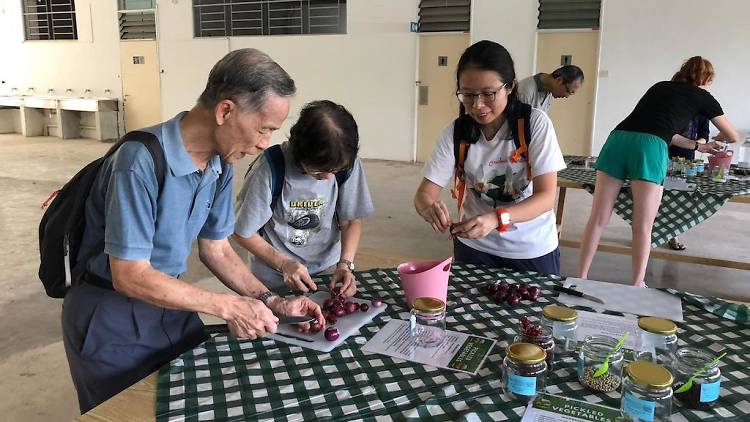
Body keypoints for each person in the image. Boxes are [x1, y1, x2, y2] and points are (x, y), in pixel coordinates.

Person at [62, 48, 325, 414]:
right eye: (263, 128)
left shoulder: (220, 164)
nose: (264, 143)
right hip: (111, 319)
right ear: (225, 111)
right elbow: (130, 275)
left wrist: (272, 301)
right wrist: (228, 306)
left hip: (172, 306)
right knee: (129, 412)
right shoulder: (138, 161)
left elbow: (216, 248)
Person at [577, 56, 739, 286]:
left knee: (598, 218)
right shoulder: (704, 97)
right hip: (649, 148)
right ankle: (636, 285)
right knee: (643, 225)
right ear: (707, 79)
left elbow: (666, 131)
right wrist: (717, 139)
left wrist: (698, 146)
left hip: (618, 140)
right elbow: (733, 136)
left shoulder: (660, 87)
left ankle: (579, 278)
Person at [414, 40, 566, 276]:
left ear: (510, 87)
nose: (477, 105)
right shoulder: (456, 133)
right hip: (474, 250)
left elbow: (546, 197)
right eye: (468, 95)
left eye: (488, 94)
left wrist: (497, 218)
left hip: (531, 250)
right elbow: (424, 194)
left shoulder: (534, 124)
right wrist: (428, 208)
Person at [233, 100, 374, 297]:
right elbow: (242, 232)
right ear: (299, 152)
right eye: (319, 170)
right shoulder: (270, 169)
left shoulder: (344, 162)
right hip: (274, 278)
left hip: (326, 273)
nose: (328, 177)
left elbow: (350, 220)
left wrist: (345, 264)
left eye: (335, 170)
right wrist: (284, 264)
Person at [516, 65, 584, 113]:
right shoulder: (525, 90)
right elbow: (520, 128)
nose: (567, 96)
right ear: (559, 80)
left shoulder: (550, 91)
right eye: (568, 91)